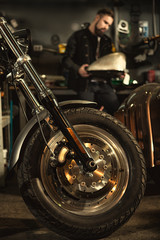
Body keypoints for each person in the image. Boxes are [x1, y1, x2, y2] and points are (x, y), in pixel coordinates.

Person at [62, 8, 120, 114]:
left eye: (109, 25)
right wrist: (78, 69)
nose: (106, 27)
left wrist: (118, 73)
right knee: (87, 113)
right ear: (97, 18)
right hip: (85, 84)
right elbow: (66, 60)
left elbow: (110, 63)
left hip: (104, 84)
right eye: (105, 22)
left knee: (117, 110)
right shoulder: (78, 36)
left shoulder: (107, 41)